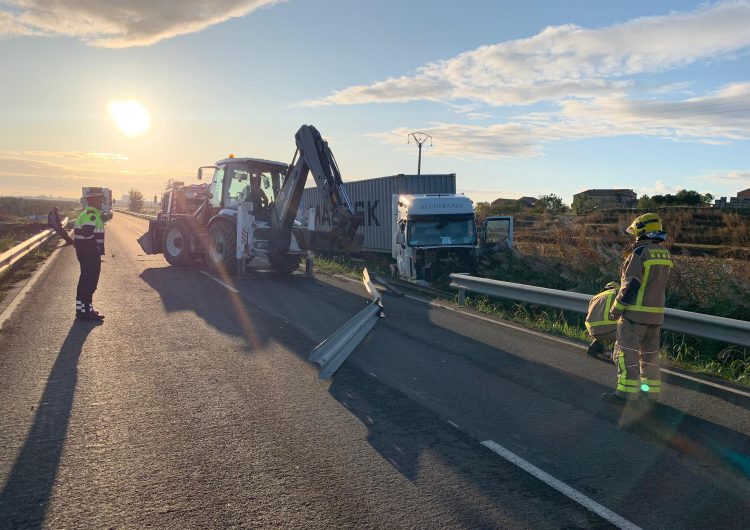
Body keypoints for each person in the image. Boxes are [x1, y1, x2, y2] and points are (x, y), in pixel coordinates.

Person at [602, 213, 673, 404]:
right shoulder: (664, 254)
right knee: (650, 359)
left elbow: (631, 285)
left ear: (642, 231)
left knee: (627, 356)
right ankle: (650, 395)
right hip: (655, 318)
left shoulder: (640, 253)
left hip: (634, 317)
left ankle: (626, 394)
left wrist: (616, 309)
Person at [73, 190, 106, 321]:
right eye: (100, 201)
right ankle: (87, 312)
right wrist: (96, 247)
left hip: (85, 253)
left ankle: (82, 310)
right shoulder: (91, 215)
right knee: (90, 282)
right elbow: (87, 232)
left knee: (84, 281)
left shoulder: (86, 213)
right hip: (90, 254)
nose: (102, 203)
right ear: (93, 201)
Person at [585, 281, 619, 358]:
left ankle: (596, 345)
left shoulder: (595, 297)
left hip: (592, 330)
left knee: (603, 333)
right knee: (626, 329)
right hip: (610, 329)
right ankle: (616, 351)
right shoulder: (617, 293)